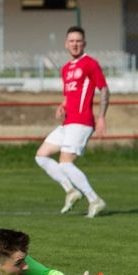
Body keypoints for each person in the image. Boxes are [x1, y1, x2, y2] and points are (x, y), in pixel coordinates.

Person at [35, 26, 110, 218]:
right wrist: (63, 104)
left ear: (84, 43)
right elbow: (71, 94)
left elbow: (104, 90)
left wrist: (101, 116)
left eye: (78, 41)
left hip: (82, 121)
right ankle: (71, 190)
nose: (75, 44)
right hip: (68, 121)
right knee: (41, 156)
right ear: (66, 43)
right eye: (71, 41)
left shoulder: (90, 64)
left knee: (65, 163)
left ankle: (94, 199)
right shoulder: (66, 68)